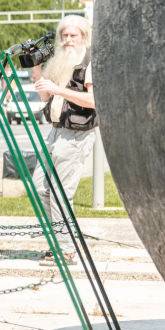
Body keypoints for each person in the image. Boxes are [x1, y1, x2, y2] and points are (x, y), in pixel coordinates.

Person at [31, 15, 98, 266]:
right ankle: (56, 243)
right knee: (40, 188)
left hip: (77, 135)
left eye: (73, 35)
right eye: (64, 35)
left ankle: (67, 250)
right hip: (55, 132)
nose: (68, 40)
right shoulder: (59, 60)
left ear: (84, 37)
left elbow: (93, 102)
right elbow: (45, 98)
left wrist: (59, 89)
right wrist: (36, 67)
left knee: (60, 193)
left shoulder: (90, 62)